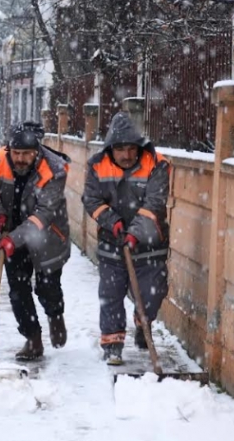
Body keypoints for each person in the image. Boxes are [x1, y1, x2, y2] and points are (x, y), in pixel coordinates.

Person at [82, 111, 171, 365]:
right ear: (111, 147)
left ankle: (143, 324)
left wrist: (134, 233)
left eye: (131, 148)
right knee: (111, 293)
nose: (126, 155)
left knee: (151, 294)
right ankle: (112, 344)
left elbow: (154, 203)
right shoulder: (97, 165)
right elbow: (91, 199)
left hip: (150, 244)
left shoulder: (157, 164)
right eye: (120, 149)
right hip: (112, 242)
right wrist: (113, 222)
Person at [0, 121, 71, 361]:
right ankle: (33, 338)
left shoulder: (54, 169)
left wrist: (14, 239)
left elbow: (45, 213)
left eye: (26, 154)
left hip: (47, 237)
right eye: (15, 153)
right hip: (11, 233)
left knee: (47, 287)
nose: (20, 159)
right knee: (18, 291)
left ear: (36, 151)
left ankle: (55, 314)